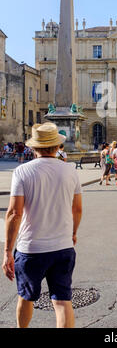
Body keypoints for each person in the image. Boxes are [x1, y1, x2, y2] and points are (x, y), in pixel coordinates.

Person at [1, 122, 82, 328]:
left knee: (26, 297)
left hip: (31, 248)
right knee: (63, 300)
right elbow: (77, 209)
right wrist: (73, 233)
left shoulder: (22, 172)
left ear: (34, 147)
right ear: (56, 146)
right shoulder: (70, 170)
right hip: (63, 246)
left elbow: (14, 213)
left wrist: (7, 251)